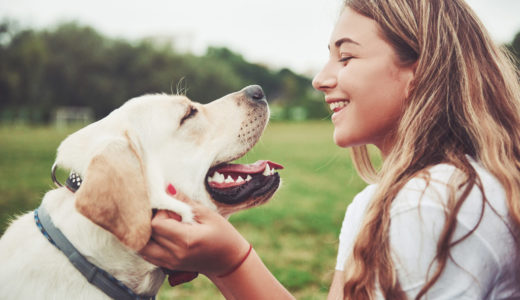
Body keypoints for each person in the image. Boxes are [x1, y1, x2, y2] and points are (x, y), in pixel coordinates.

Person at [139, 0, 520, 299]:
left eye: (347, 56)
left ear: (421, 72)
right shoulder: (374, 205)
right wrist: (226, 262)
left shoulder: (430, 202)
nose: (321, 79)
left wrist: (229, 262)